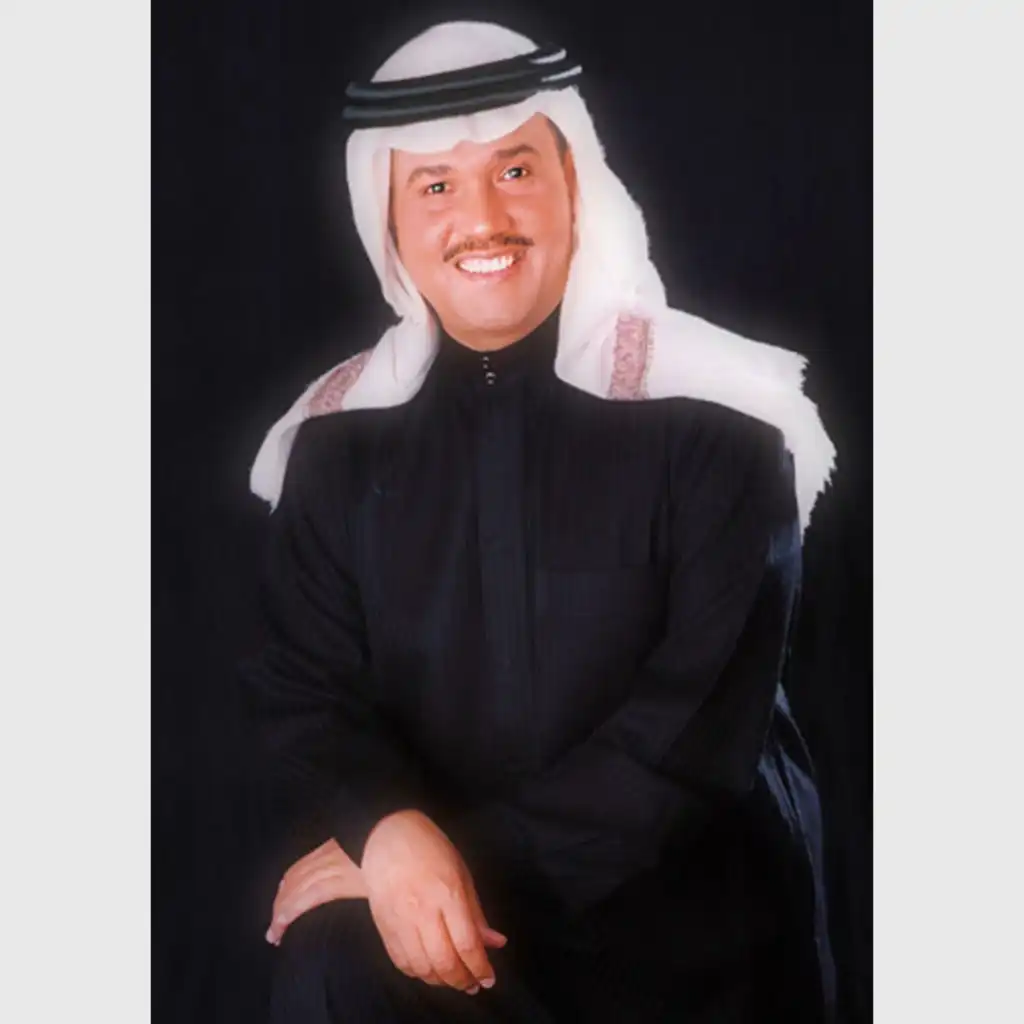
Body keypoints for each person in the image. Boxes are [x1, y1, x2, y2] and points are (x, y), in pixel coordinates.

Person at [243, 19, 838, 1023]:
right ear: (388, 219)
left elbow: (690, 740)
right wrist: (383, 831)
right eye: (435, 185)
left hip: (692, 932)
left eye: (514, 170)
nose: (481, 219)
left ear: (575, 185)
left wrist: (436, 864)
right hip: (462, 939)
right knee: (328, 962)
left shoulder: (723, 415)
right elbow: (307, 692)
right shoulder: (335, 443)